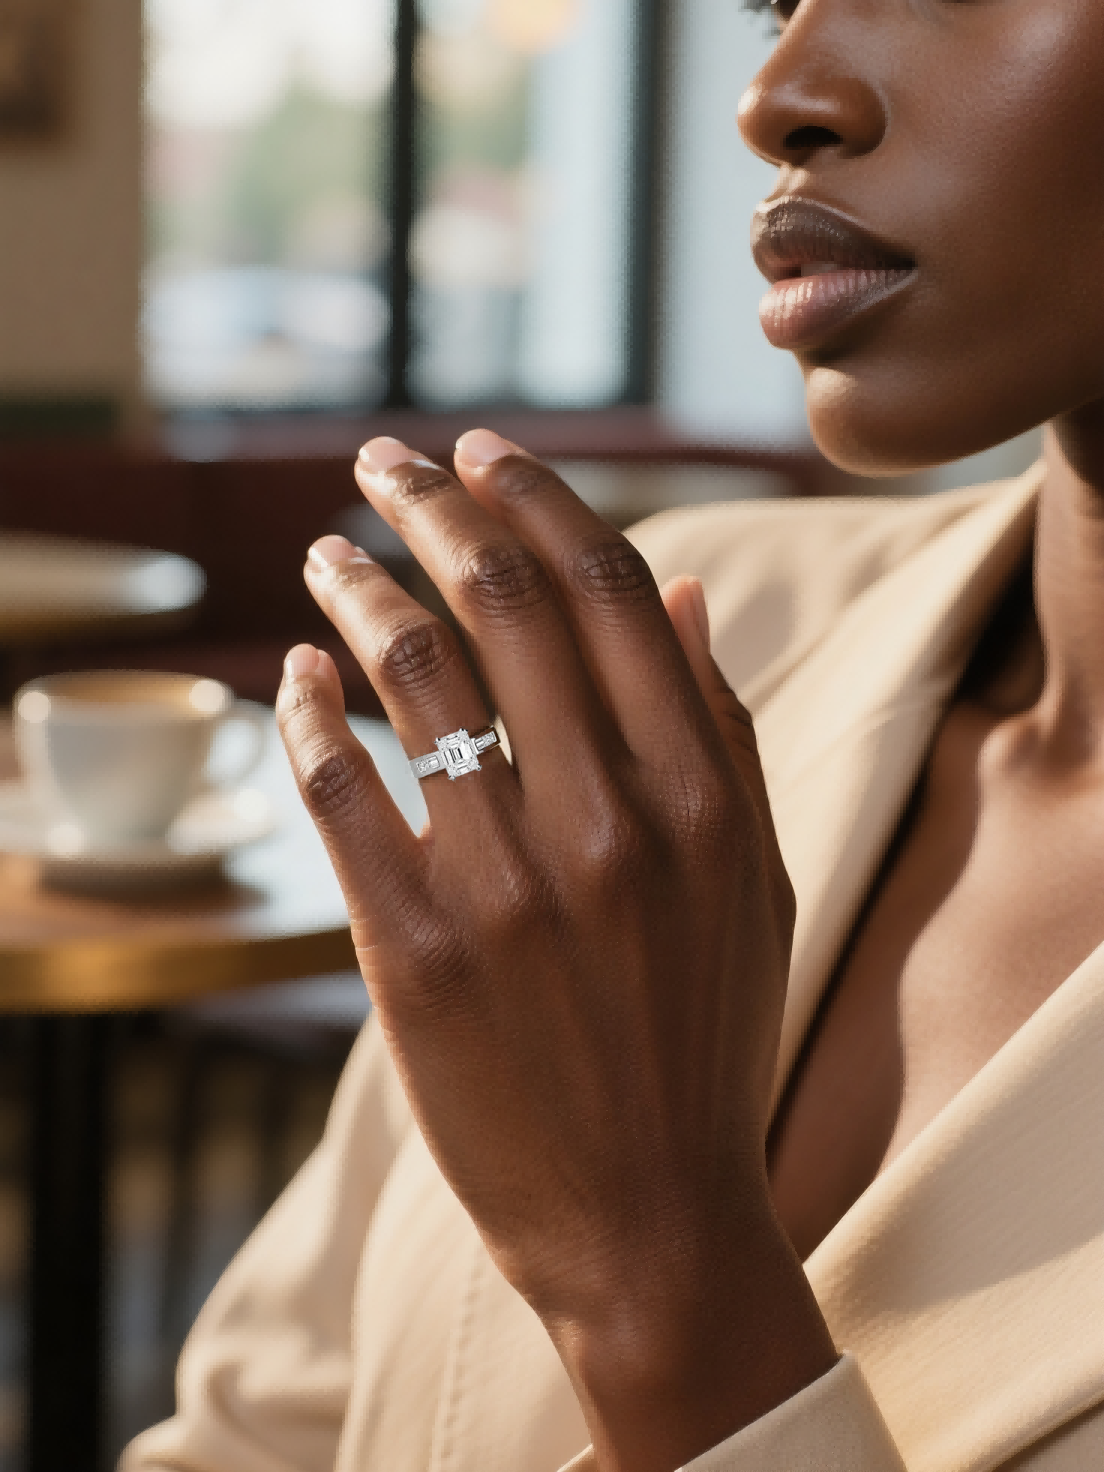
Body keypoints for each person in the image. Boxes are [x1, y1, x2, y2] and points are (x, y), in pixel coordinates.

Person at [123, 1, 1104, 1469]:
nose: (778, 95)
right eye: (776, 4)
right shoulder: (700, 638)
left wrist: (663, 1297)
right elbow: (257, 1431)